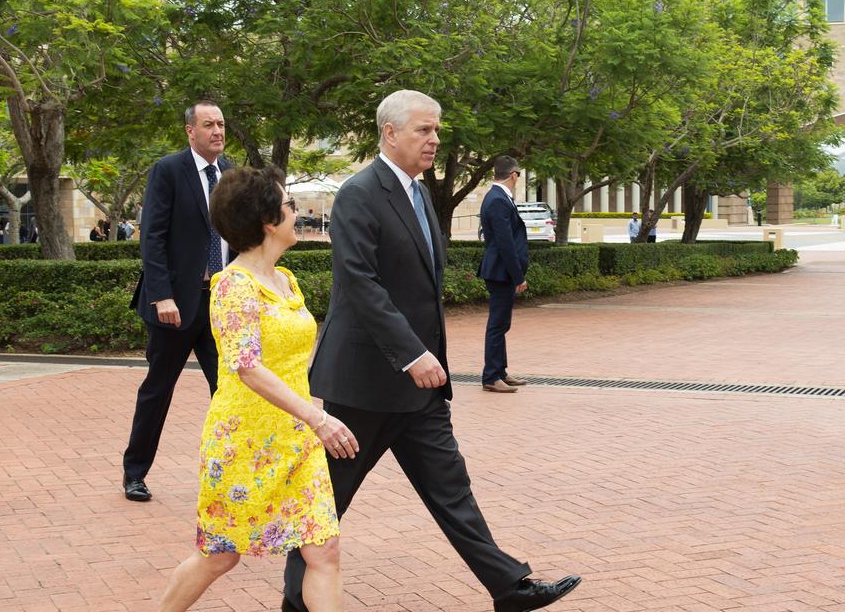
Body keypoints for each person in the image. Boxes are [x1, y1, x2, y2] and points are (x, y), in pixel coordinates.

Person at [282, 90, 580, 612]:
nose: (435, 140)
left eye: (436, 130)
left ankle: (509, 588)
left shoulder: (419, 195)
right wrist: (412, 354)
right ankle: (297, 600)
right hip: (365, 386)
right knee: (326, 502)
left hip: (421, 388)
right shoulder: (358, 194)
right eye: (424, 130)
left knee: (452, 491)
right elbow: (359, 284)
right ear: (390, 132)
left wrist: (428, 360)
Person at [157, 165, 355, 612]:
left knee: (324, 551)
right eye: (288, 205)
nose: (296, 213)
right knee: (219, 555)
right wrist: (318, 417)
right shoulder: (232, 285)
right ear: (268, 221)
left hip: (297, 440)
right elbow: (246, 366)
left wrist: (310, 419)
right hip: (245, 441)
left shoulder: (286, 281)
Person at [124, 101, 233, 503]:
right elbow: (151, 236)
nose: (217, 131)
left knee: (229, 391)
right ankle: (134, 473)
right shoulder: (169, 170)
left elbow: (238, 239)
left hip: (220, 304)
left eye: (221, 124)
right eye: (208, 125)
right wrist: (162, 297)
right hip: (174, 306)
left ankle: (229, 473)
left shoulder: (232, 173)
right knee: (158, 390)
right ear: (191, 131)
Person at [479, 155, 530, 394]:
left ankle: (500, 371)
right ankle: (491, 375)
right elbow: (505, 242)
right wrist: (518, 275)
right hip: (500, 272)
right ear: (513, 175)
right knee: (497, 325)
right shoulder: (498, 199)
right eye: (518, 174)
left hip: (501, 271)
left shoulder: (499, 198)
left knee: (502, 324)